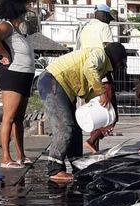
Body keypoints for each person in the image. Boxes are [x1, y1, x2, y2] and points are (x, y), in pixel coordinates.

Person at [37, 42, 127, 182]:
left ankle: (77, 163)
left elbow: (90, 95)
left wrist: (103, 121)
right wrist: (101, 92)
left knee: (75, 128)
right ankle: (54, 168)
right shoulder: (99, 54)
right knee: (64, 126)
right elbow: (88, 69)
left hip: (63, 87)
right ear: (116, 59)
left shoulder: (102, 69)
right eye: (120, 63)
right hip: (53, 81)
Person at [0, 0, 36, 168]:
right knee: (9, 116)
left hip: (25, 76)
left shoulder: (19, 31)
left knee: (19, 119)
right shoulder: (6, 26)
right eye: (24, 10)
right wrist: (5, 54)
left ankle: (21, 155)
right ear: (18, 11)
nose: (26, 13)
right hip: (12, 75)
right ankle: (6, 158)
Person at [75, 4, 118, 154]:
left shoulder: (84, 28)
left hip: (87, 76)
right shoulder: (104, 27)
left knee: (96, 113)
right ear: (105, 15)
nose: (109, 22)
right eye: (109, 19)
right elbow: (110, 51)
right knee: (111, 114)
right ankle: (92, 141)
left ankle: (94, 148)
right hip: (102, 74)